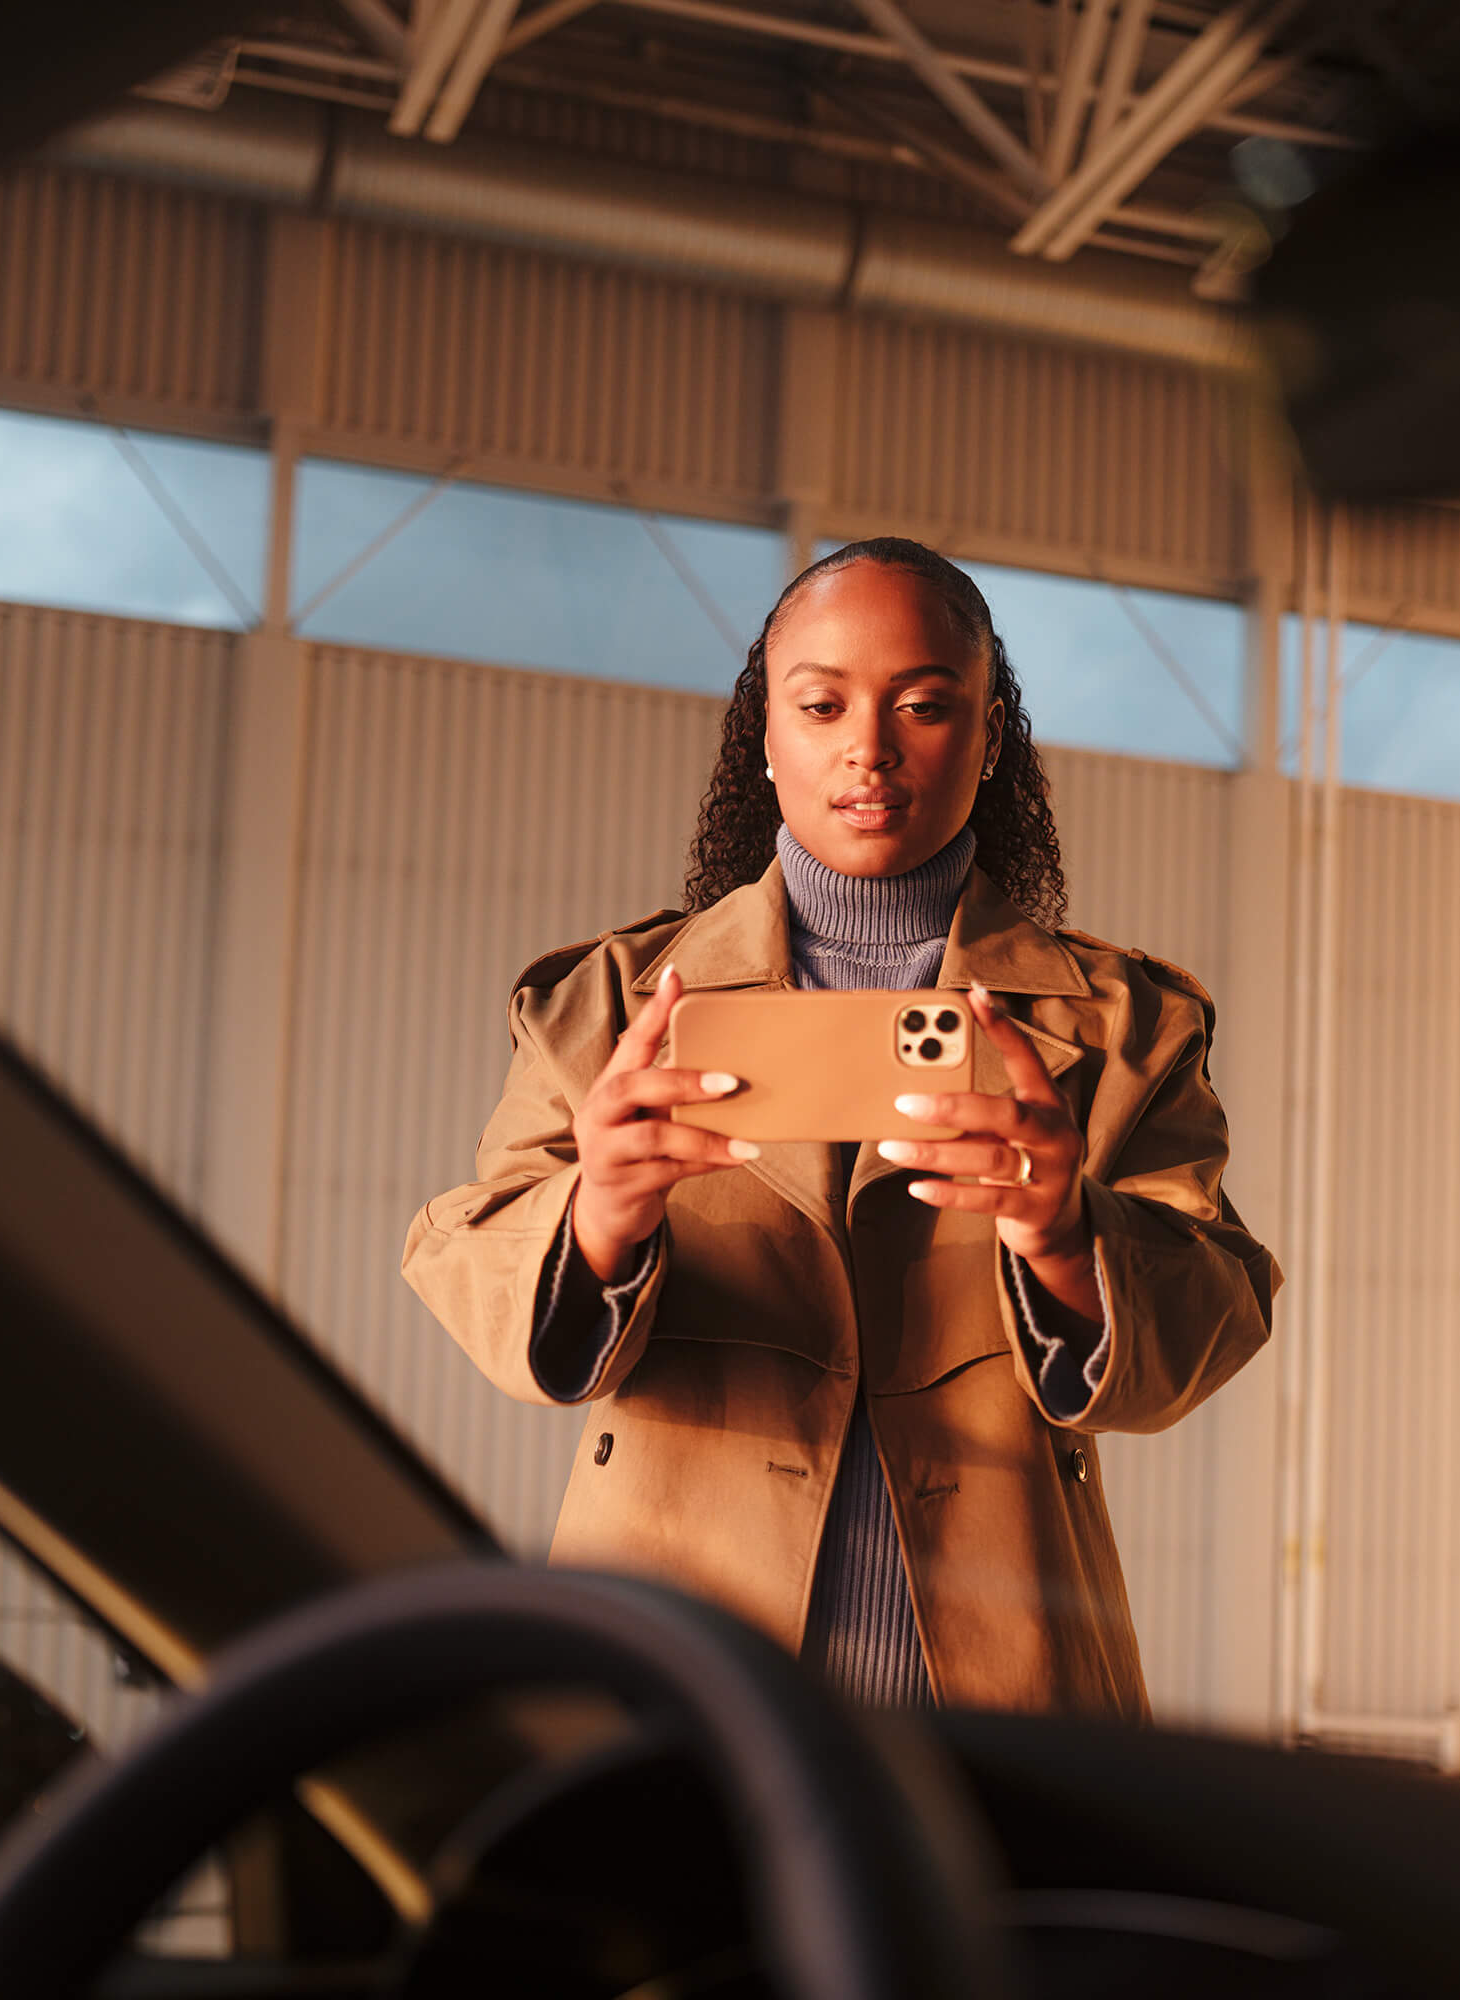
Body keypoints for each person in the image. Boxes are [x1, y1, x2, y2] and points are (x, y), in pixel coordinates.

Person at [402, 537, 1280, 1718]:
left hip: (1008, 1688)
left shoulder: (1127, 1027)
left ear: (987, 737)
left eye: (924, 704)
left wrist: (1068, 1239)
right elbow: (475, 1257)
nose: (868, 748)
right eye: (820, 704)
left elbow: (1217, 1304)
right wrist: (597, 1216)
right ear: (764, 736)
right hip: (680, 1684)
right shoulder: (605, 1004)